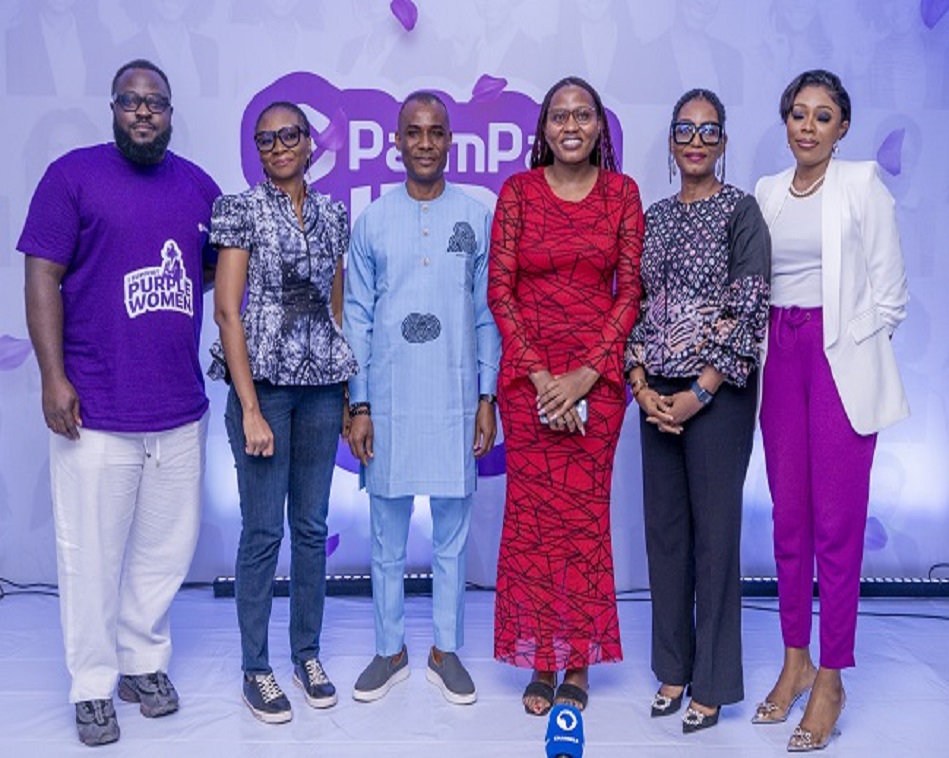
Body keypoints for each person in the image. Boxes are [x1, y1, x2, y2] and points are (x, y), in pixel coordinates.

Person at [18, 59, 219, 747]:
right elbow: (42, 275)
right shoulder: (71, 177)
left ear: (170, 113)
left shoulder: (198, 187)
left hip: (177, 406)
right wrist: (52, 377)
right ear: (113, 108)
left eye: (155, 102)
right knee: (90, 556)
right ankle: (92, 686)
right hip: (94, 407)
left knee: (166, 552)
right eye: (131, 101)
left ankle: (142, 663)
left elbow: (218, 278)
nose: (143, 112)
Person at [753, 69, 909, 751]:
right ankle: (795, 660)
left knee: (836, 527)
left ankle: (832, 677)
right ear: (785, 121)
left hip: (836, 358)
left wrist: (844, 346)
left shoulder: (861, 184)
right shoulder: (766, 192)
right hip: (777, 356)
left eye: (822, 116)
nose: (808, 126)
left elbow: (891, 296)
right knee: (788, 520)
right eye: (798, 113)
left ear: (842, 127)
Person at [489, 76, 644, 715]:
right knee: (532, 522)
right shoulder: (518, 192)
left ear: (599, 125)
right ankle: (539, 655)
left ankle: (576, 661)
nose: (571, 125)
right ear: (544, 129)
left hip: (596, 385)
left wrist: (586, 374)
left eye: (583, 115)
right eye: (560, 116)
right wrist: (540, 376)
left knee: (581, 522)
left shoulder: (622, 194)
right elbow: (499, 290)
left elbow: (630, 293)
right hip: (529, 384)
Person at [343, 91, 501, 706]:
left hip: (455, 400)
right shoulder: (373, 221)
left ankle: (445, 650)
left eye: (436, 132)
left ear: (450, 141)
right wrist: (359, 405)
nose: (426, 142)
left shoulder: (476, 218)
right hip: (388, 403)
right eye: (414, 132)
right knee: (385, 539)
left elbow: (487, 315)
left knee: (451, 537)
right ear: (398, 142)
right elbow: (357, 319)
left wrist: (486, 396)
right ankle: (389, 650)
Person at [624, 89, 771, 734]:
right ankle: (672, 668)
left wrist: (700, 392)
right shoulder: (653, 217)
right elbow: (633, 304)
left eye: (708, 131)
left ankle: (711, 682)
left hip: (719, 394)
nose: (695, 141)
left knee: (714, 537)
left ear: (723, 142)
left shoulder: (742, 212)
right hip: (656, 391)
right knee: (665, 535)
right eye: (685, 129)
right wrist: (639, 384)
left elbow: (750, 306)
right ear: (671, 140)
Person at [209, 101, 357, 724]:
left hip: (322, 388)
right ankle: (255, 668)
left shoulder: (333, 214)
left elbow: (336, 306)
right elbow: (227, 312)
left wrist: (347, 396)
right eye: (265, 140)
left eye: (288, 135)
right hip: (265, 389)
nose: (278, 147)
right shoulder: (240, 209)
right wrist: (249, 408)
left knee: (312, 529)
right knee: (264, 532)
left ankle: (306, 655)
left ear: (309, 142)